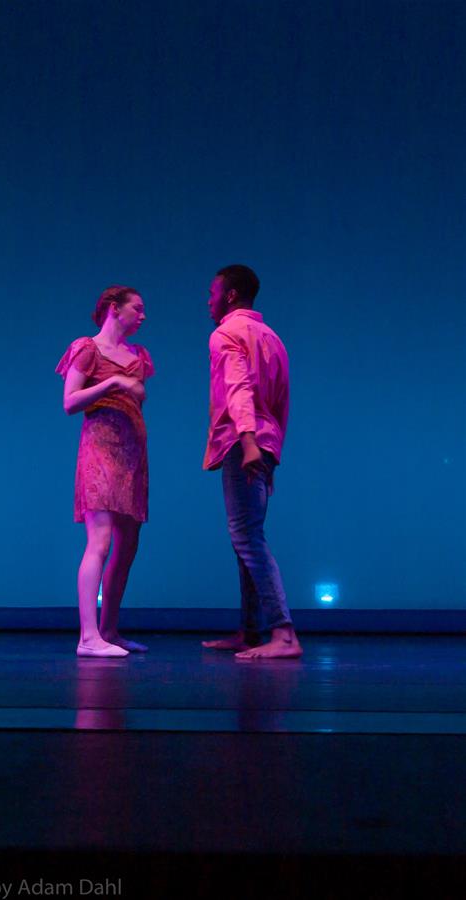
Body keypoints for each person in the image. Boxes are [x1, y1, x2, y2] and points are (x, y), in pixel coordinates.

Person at [201, 265, 302, 659]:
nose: (207, 300)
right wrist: (270, 450)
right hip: (264, 443)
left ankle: (284, 633)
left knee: (247, 538)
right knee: (245, 537)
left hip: (243, 443)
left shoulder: (225, 334)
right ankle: (251, 630)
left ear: (229, 295)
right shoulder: (272, 338)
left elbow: (238, 388)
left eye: (212, 293)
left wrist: (248, 443)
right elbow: (280, 403)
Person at [55, 285, 154, 657]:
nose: (143, 316)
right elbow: (69, 402)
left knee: (128, 544)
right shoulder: (87, 348)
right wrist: (112, 382)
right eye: (137, 308)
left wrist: (132, 387)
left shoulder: (138, 355)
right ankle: (88, 636)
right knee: (100, 540)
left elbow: (139, 394)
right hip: (100, 450)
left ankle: (109, 631)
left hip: (132, 454)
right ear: (115, 308)